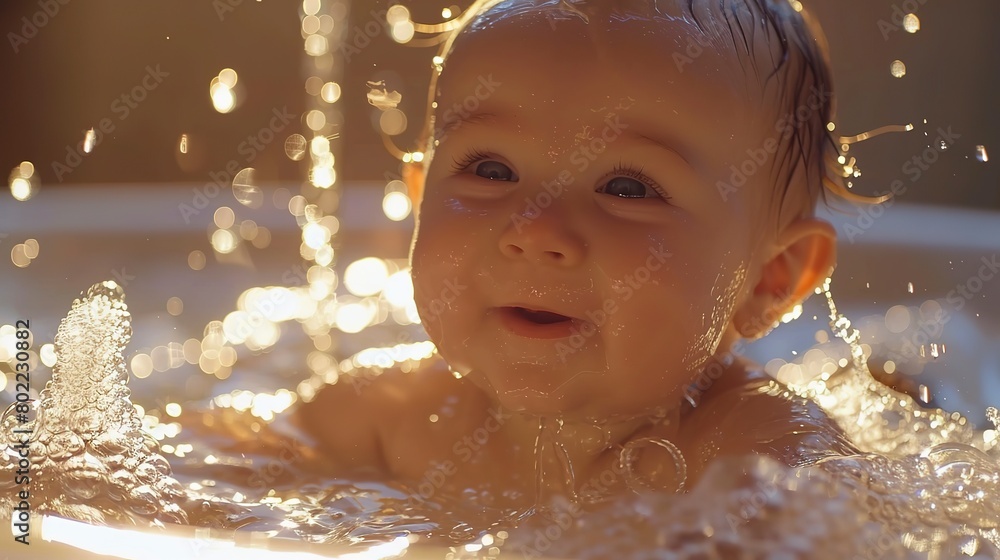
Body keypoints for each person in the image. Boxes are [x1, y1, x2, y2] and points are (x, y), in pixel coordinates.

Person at [293, 0, 868, 508]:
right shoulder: (387, 412)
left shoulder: (764, 457)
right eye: (491, 171)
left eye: (628, 189)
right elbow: (221, 472)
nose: (534, 228)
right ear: (421, 204)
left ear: (770, 278)